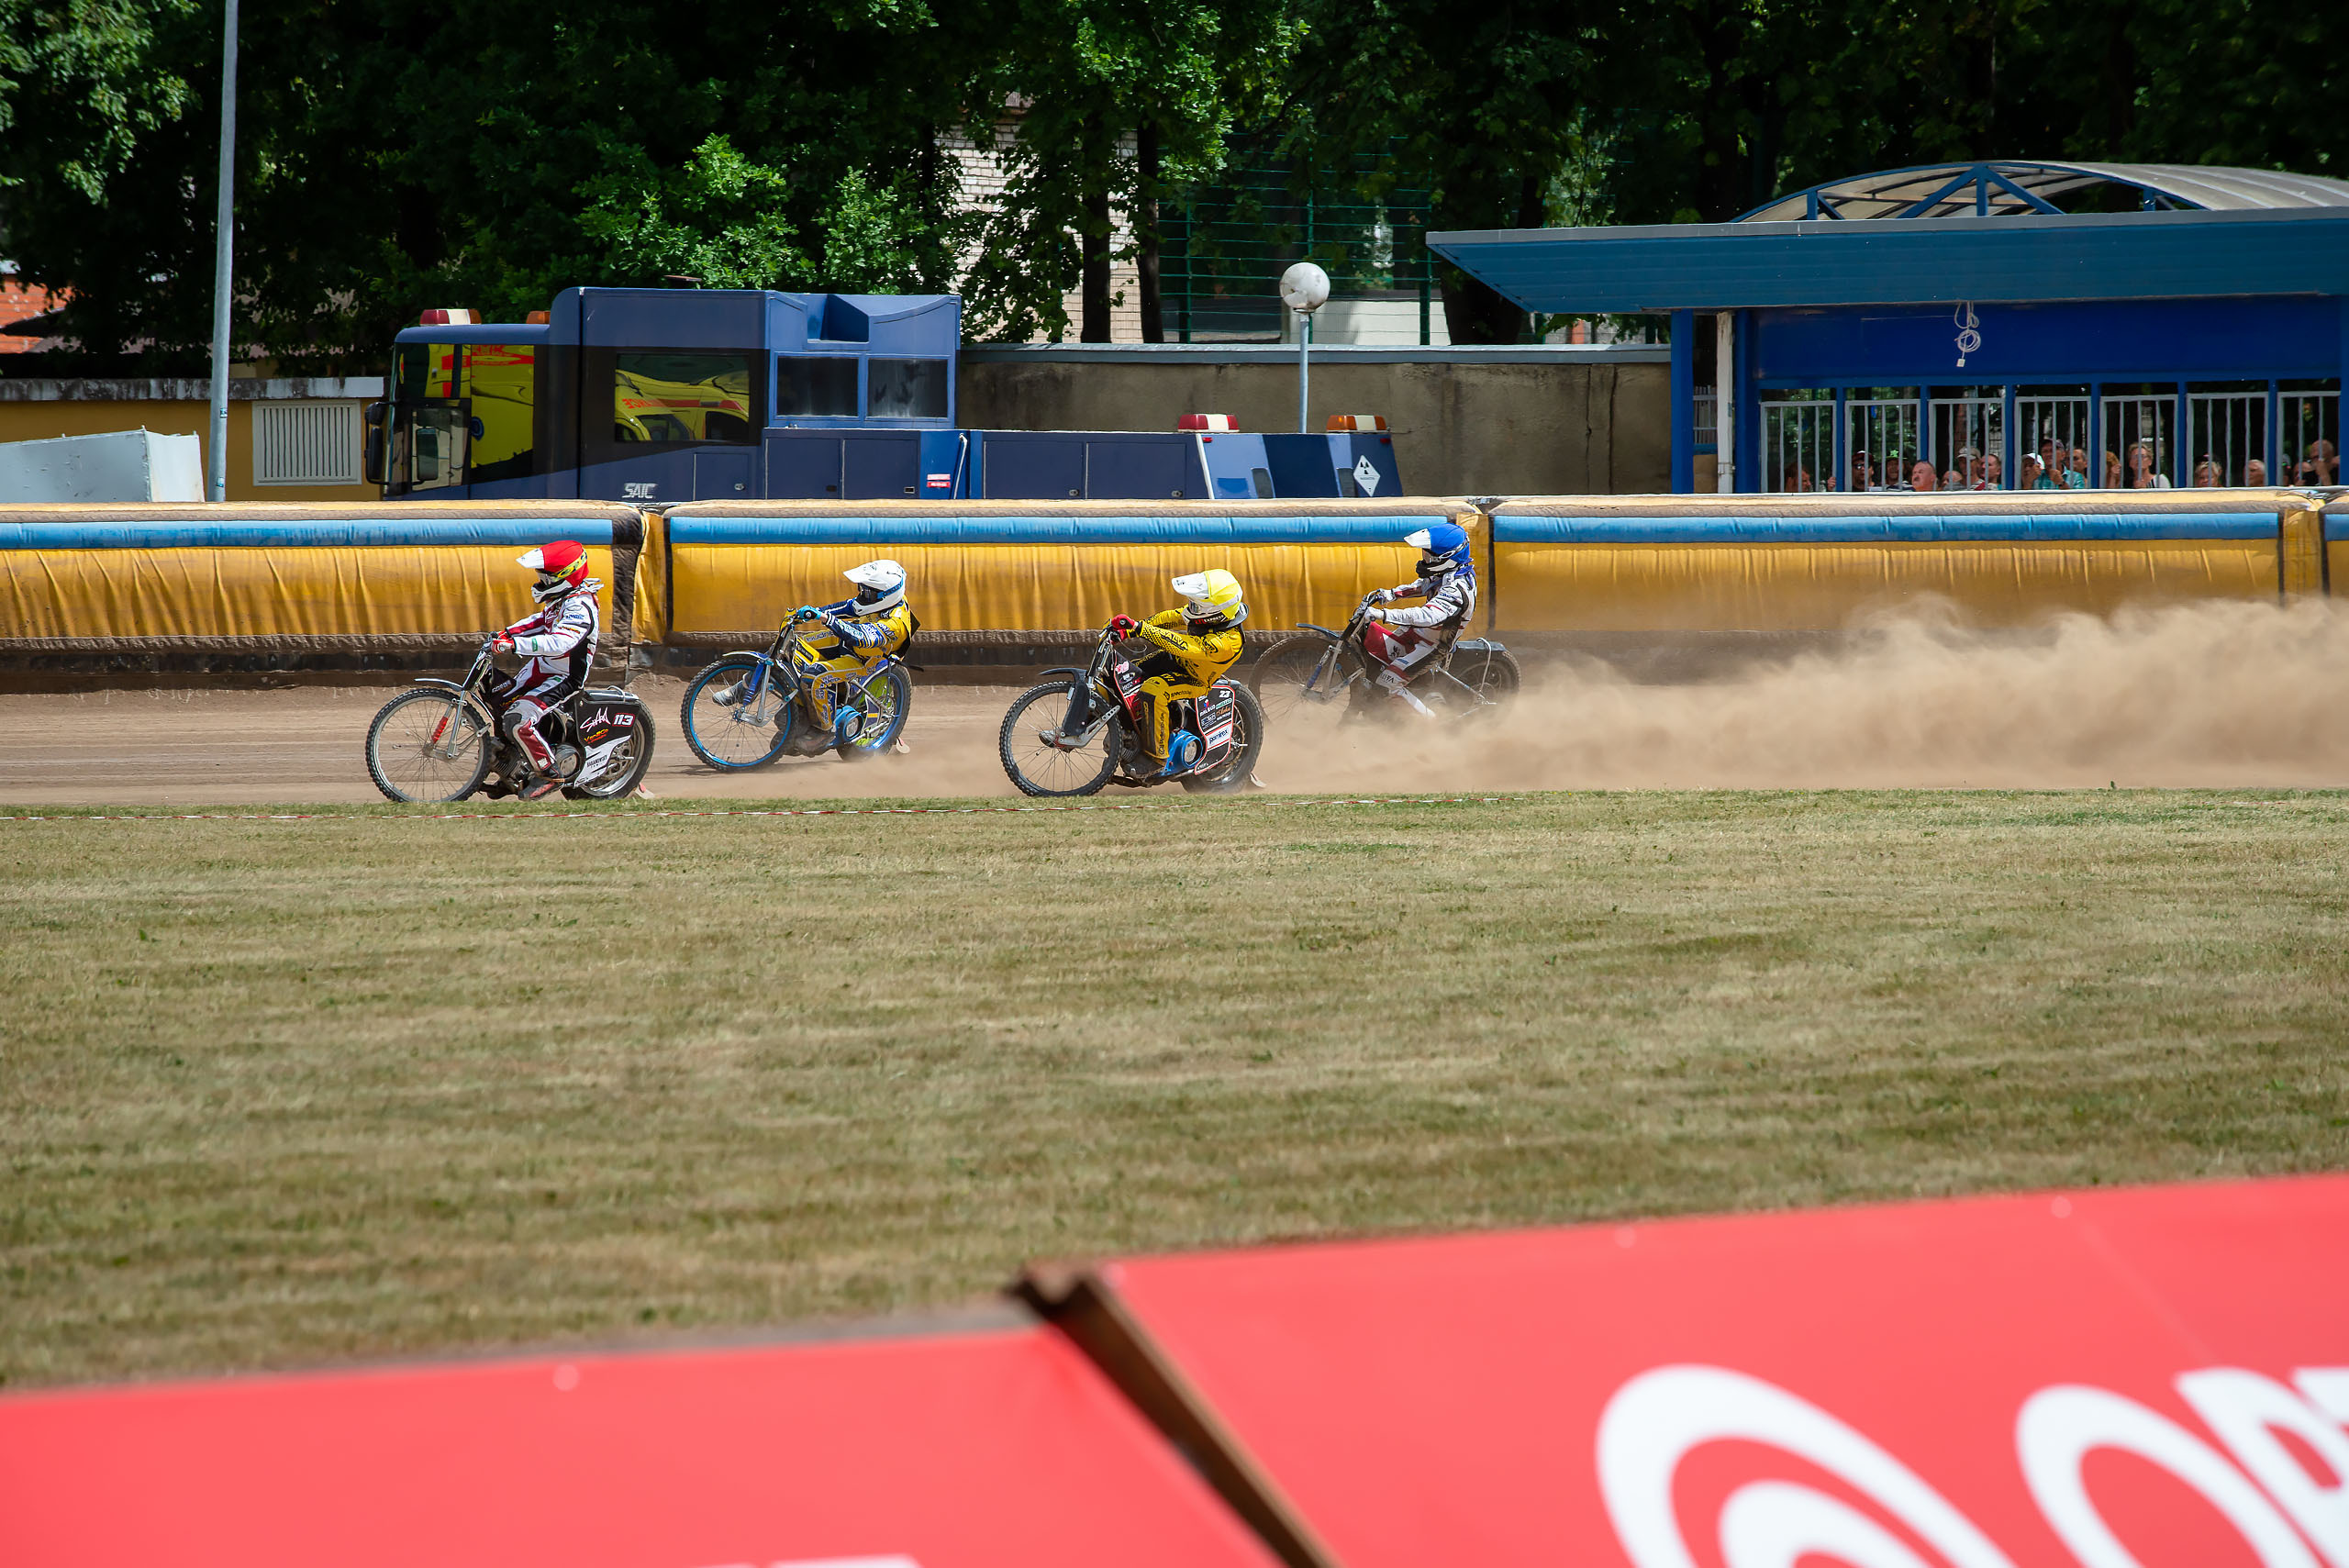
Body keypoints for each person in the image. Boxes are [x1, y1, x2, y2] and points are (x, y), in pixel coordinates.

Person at [1106, 569, 1247, 776]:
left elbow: (1183, 645)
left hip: (1195, 679)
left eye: (1196, 605)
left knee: (1154, 691)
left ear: (1217, 610)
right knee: (1126, 675)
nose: (1191, 608)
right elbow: (1172, 617)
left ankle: (1156, 759)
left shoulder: (1228, 642)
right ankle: (1131, 732)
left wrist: (1140, 629)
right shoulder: (1209, 615)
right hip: (1176, 660)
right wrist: (1130, 629)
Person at [490, 541, 603, 799]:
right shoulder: (561, 600)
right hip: (542, 667)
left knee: (518, 720)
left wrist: (515, 644)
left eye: (546, 577)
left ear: (566, 576)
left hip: (564, 676)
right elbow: (539, 621)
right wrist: (504, 634)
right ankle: (513, 773)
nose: (541, 582)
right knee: (500, 700)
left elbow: (560, 642)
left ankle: (550, 773)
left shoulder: (579, 607)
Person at [784, 559, 916, 744]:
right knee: (794, 645)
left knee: (814, 677)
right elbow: (849, 607)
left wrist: (826, 619)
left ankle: (825, 730)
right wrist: (813, 613)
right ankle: (749, 687)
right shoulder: (884, 601)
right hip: (850, 642)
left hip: (866, 661)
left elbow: (861, 637)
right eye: (862, 589)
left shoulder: (895, 624)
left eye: (867, 592)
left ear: (885, 595)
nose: (862, 595)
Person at [1360, 522, 1479, 717]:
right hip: (1414, 633)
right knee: (1374, 651)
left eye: (1428, 555)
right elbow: (1423, 585)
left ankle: (1436, 727)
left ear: (1446, 558)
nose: (1424, 559)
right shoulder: (1447, 573)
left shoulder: (1457, 591)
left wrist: (1385, 614)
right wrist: (1390, 594)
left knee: (1388, 683)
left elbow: (1427, 616)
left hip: (1432, 645)